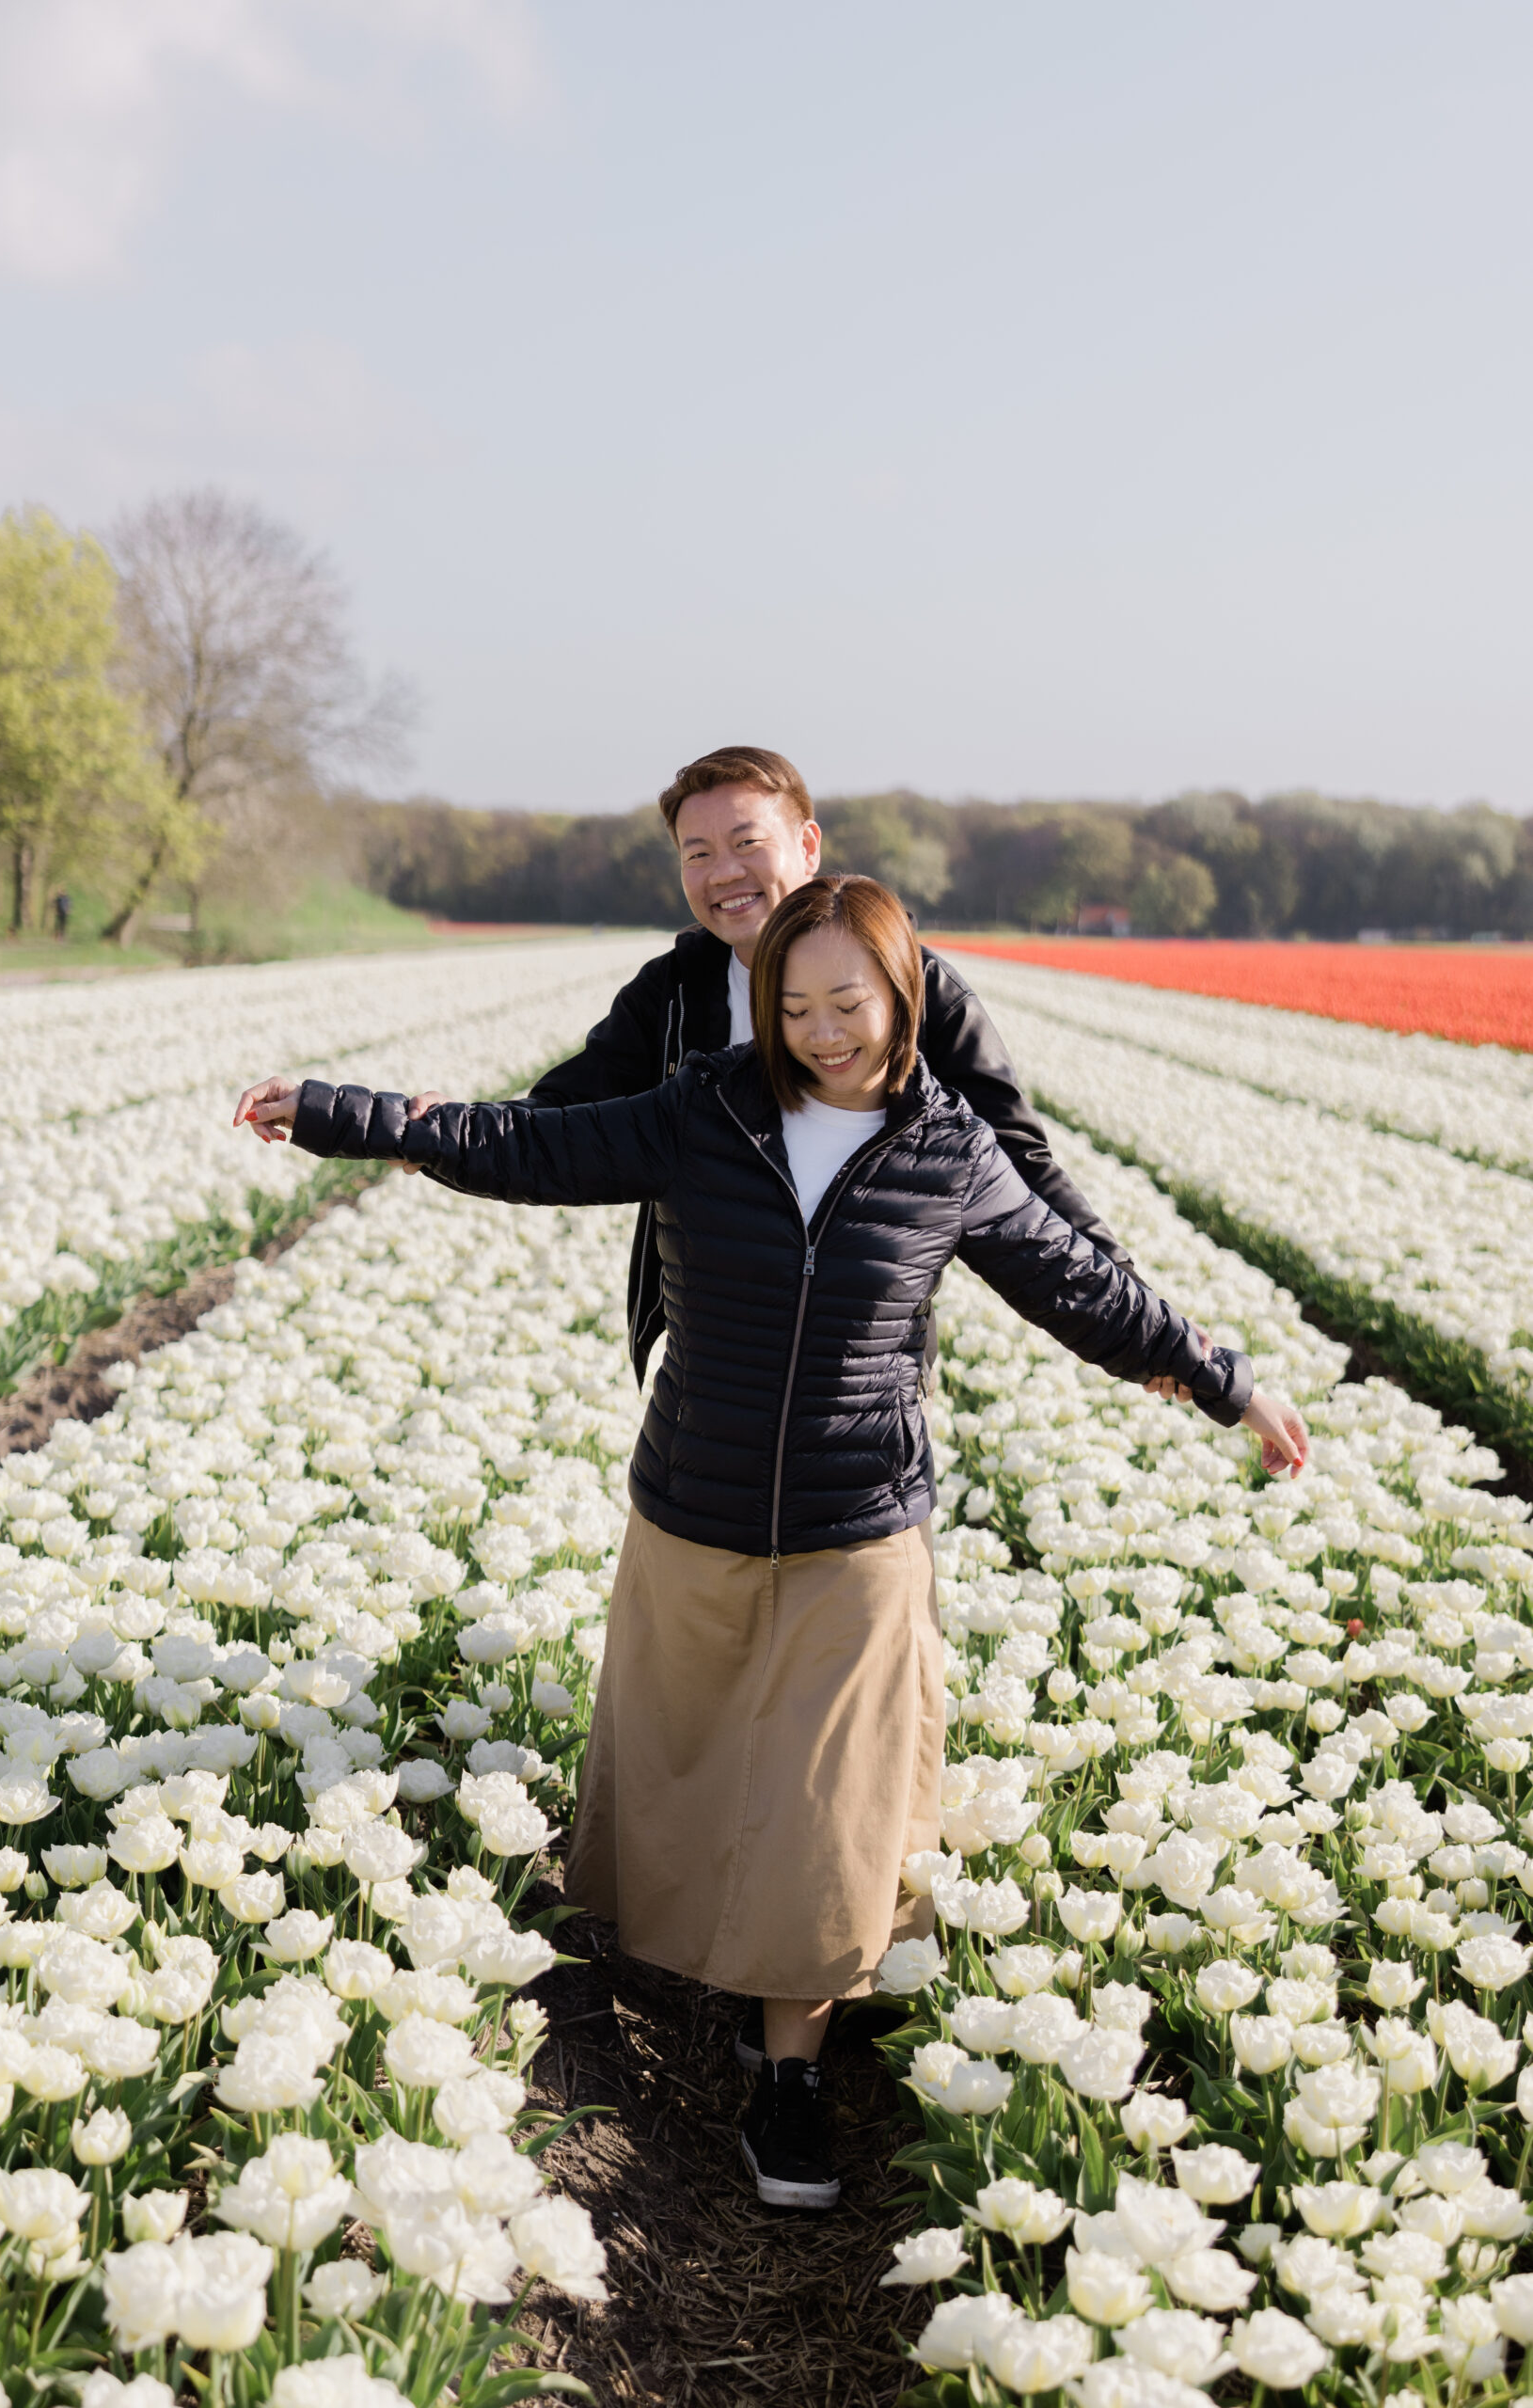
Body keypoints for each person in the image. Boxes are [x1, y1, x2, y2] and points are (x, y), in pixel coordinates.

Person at [233, 876, 1307, 2215]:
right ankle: (731, 1998)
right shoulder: (703, 1114)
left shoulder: (946, 1150)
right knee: (690, 1773)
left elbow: (1076, 1284)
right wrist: (341, 1114)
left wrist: (1219, 1378)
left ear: (900, 996)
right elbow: (528, 1145)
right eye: (790, 1004)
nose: (820, 1029)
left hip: (860, 1527)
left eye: (846, 1001)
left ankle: (789, 2073)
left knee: (827, 1810)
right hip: (696, 1506)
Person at [463, 746, 1145, 1391]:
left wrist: (1136, 1314)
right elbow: (557, 1113)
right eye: (696, 854)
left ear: (808, 845)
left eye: (746, 843)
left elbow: (1016, 1164)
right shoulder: (671, 992)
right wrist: (444, 1132)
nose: (722, 872)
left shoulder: (917, 987)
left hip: (863, 1380)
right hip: (710, 1375)